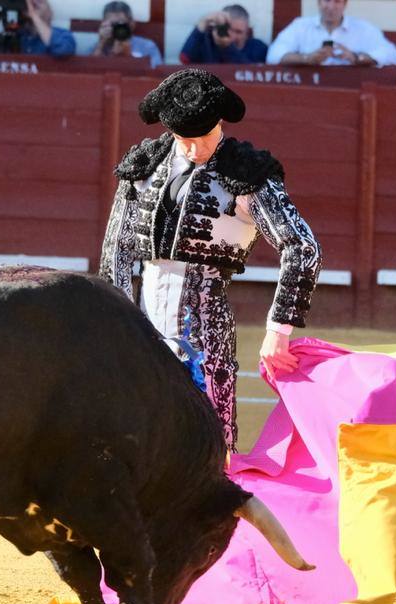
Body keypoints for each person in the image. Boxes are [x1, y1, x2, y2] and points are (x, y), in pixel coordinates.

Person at [99, 69, 322, 451]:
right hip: (141, 320)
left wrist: (279, 330)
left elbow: (302, 247)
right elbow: (116, 250)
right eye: (183, 138)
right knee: (134, 431)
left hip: (205, 325)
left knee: (210, 436)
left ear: (220, 122)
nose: (192, 148)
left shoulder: (247, 173)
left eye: (202, 137)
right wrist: (119, 323)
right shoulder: (143, 165)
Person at [266, 0, 396, 67]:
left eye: (337, 1)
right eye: (327, 0)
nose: (331, 7)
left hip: (349, 92)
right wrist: (306, 59)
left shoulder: (362, 28)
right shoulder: (301, 26)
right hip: (310, 93)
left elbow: (393, 55)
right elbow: (273, 55)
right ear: (318, 3)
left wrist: (356, 58)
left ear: (345, 4)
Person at [0, 0, 75, 56]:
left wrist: (34, 16)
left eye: (40, 1)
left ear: (51, 12)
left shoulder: (62, 35)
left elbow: (62, 49)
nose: (34, 4)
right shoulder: (8, 37)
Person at [179, 5, 266, 64]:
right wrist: (202, 24)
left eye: (238, 32)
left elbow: (247, 74)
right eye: (228, 29)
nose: (232, 35)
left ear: (247, 32)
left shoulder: (258, 47)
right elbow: (184, 59)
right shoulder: (206, 42)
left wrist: (227, 47)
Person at [89, 1, 162, 68]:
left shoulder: (147, 47)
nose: (117, 29)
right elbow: (88, 70)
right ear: (104, 24)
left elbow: (156, 74)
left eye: (121, 25)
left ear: (132, 24)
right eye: (113, 25)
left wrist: (128, 55)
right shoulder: (96, 47)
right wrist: (101, 44)